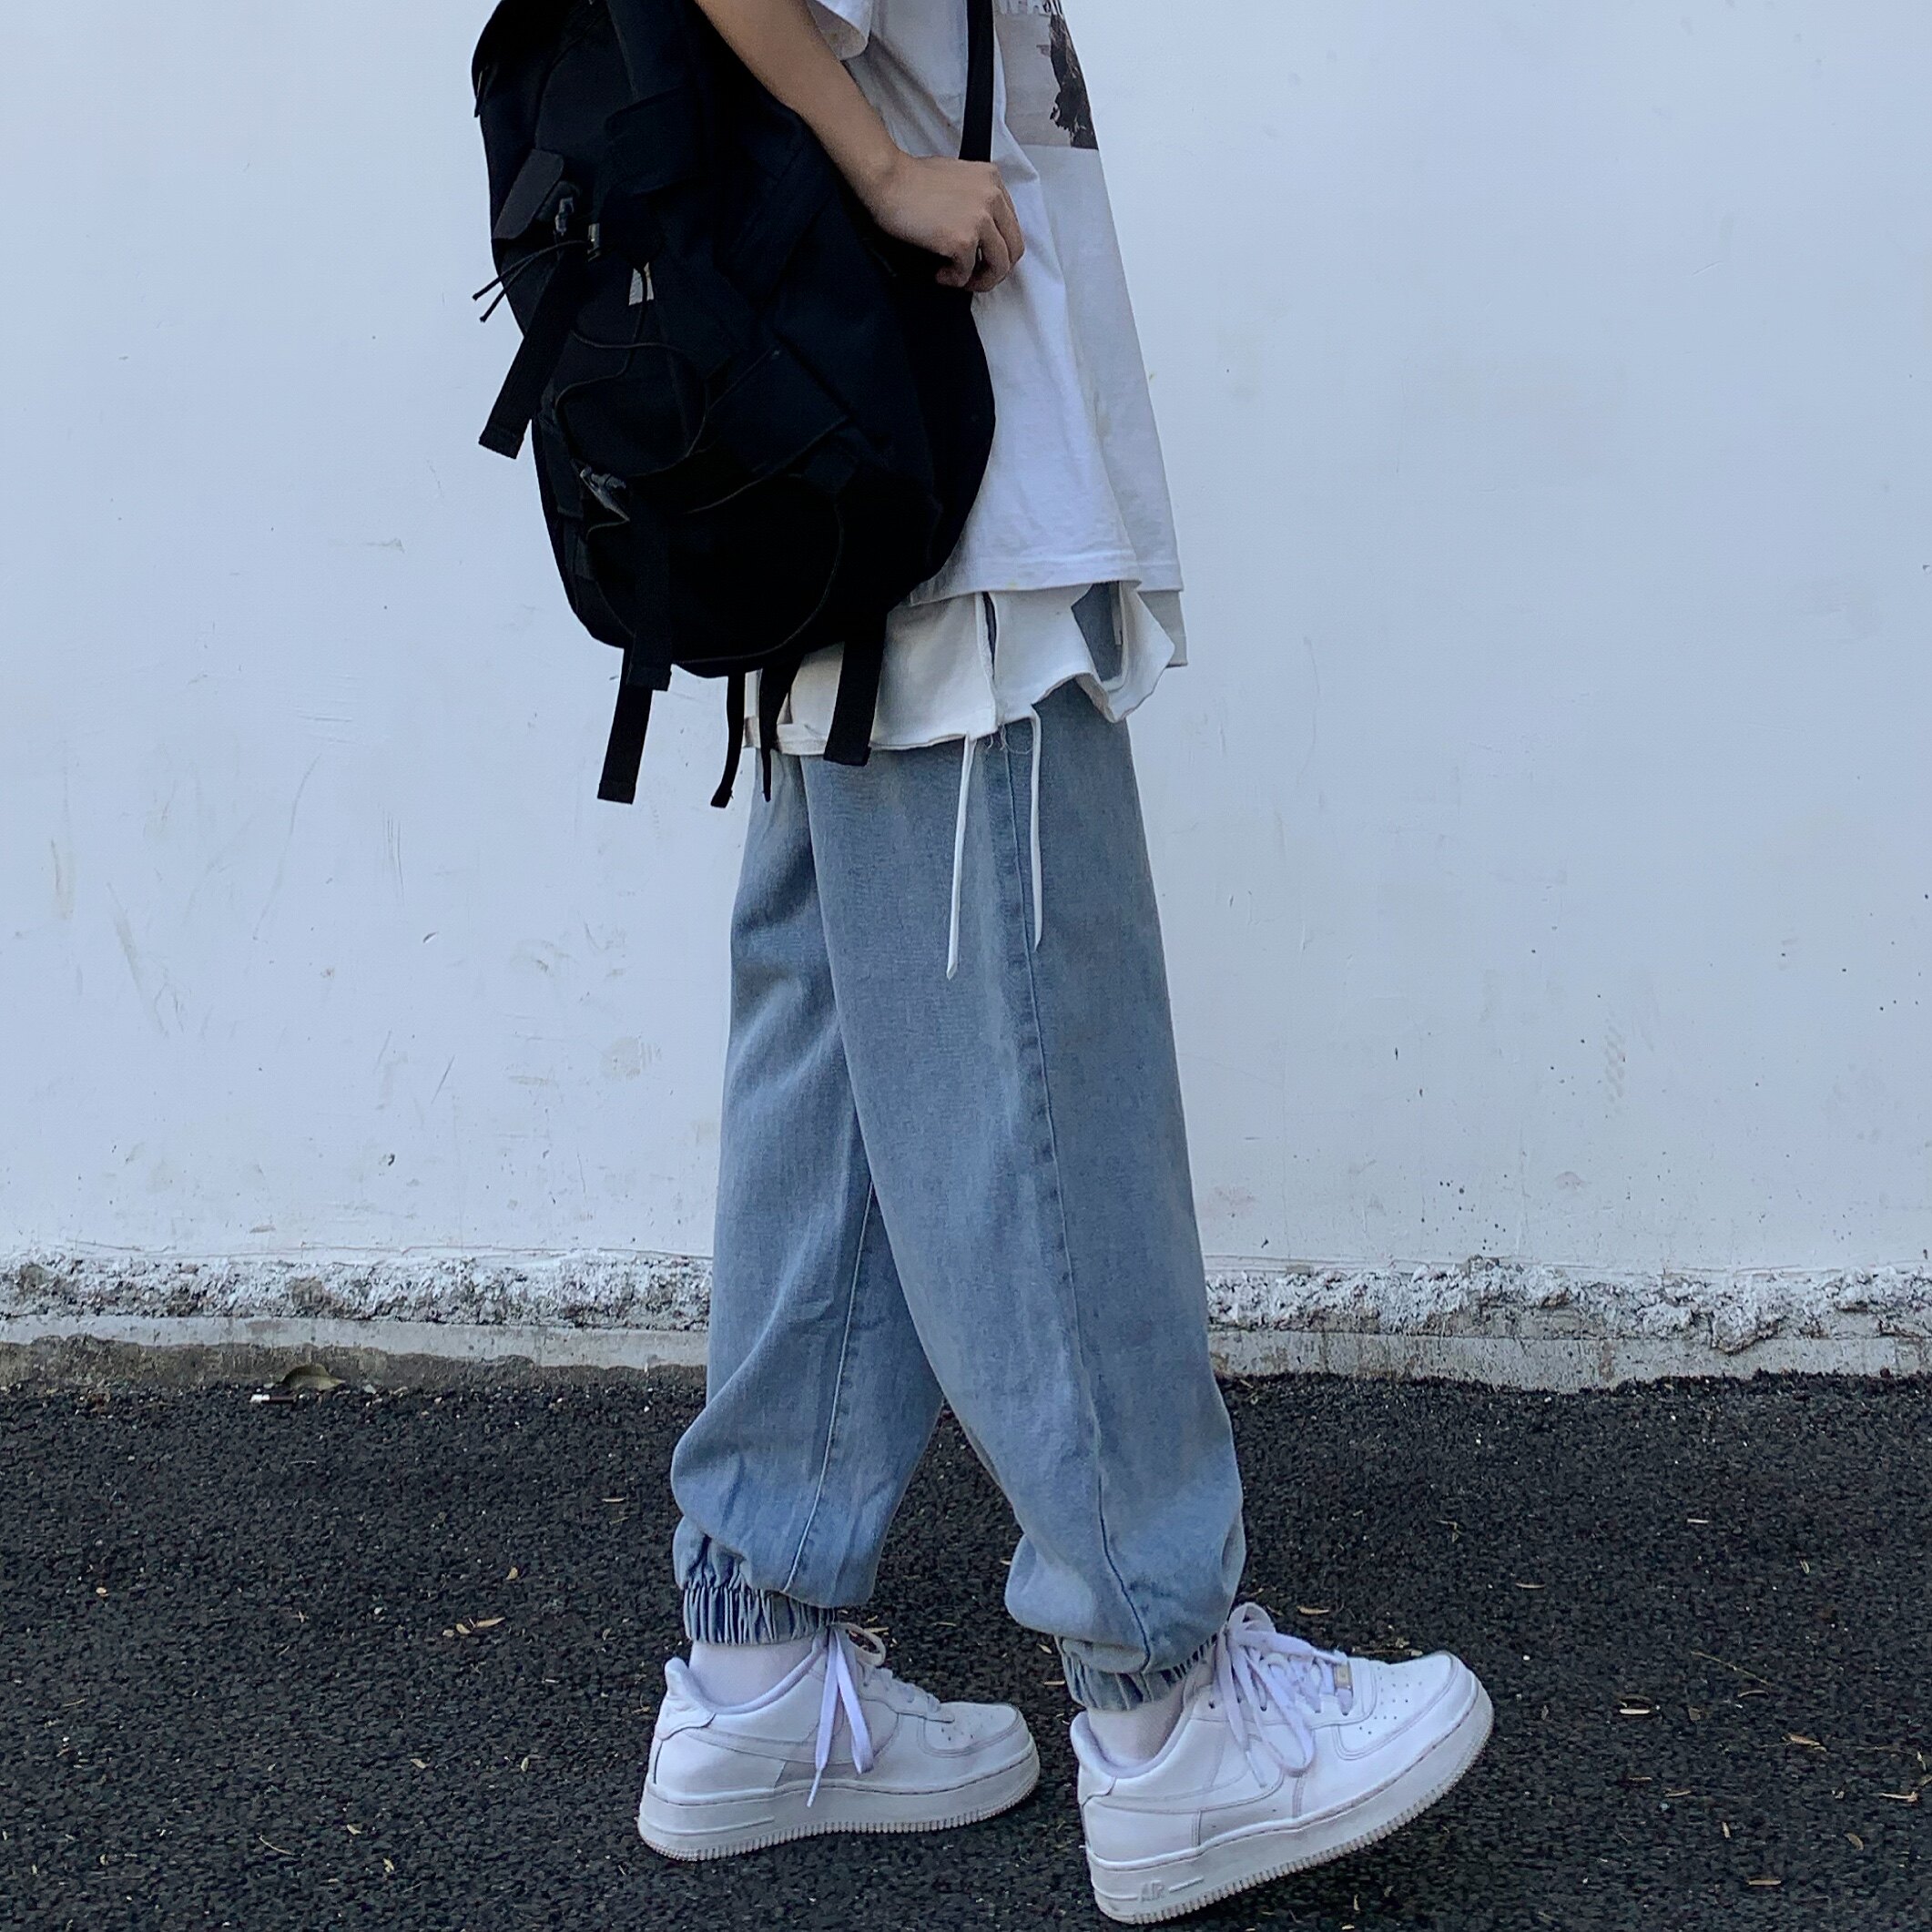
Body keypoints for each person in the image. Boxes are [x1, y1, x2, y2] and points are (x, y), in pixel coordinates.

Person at [636, 1, 1492, 1917]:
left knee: (844, 1075)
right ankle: (1169, 1708)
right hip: (947, 510)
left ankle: (761, 1665)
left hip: (849, 493)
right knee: (1041, 1077)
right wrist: (883, 168)